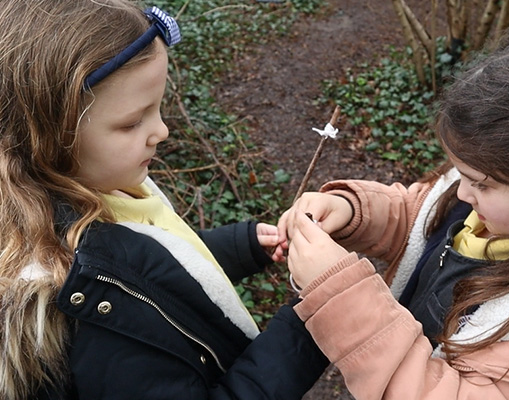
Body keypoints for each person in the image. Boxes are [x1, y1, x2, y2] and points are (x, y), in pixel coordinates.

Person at [0, 1, 329, 399]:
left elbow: (153, 268)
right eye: (132, 122)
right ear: (49, 137)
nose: (162, 130)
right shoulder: (91, 316)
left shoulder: (101, 188)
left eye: (159, 108)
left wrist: (241, 246)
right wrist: (308, 325)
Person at [277, 27, 509, 399]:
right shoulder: (492, 184)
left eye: (480, 184)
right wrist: (351, 210)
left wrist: (343, 299)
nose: (462, 193)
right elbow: (422, 219)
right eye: (459, 174)